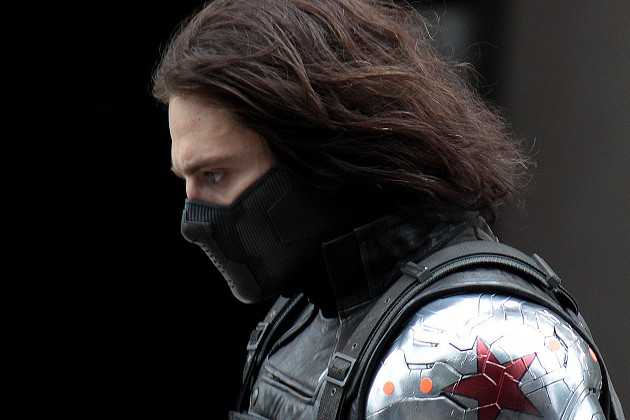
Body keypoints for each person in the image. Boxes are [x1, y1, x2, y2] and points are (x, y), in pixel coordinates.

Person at [152, 0, 625, 418]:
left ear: (315, 152)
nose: (193, 220)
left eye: (215, 175)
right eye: (185, 179)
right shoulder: (308, 313)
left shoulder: (467, 348)